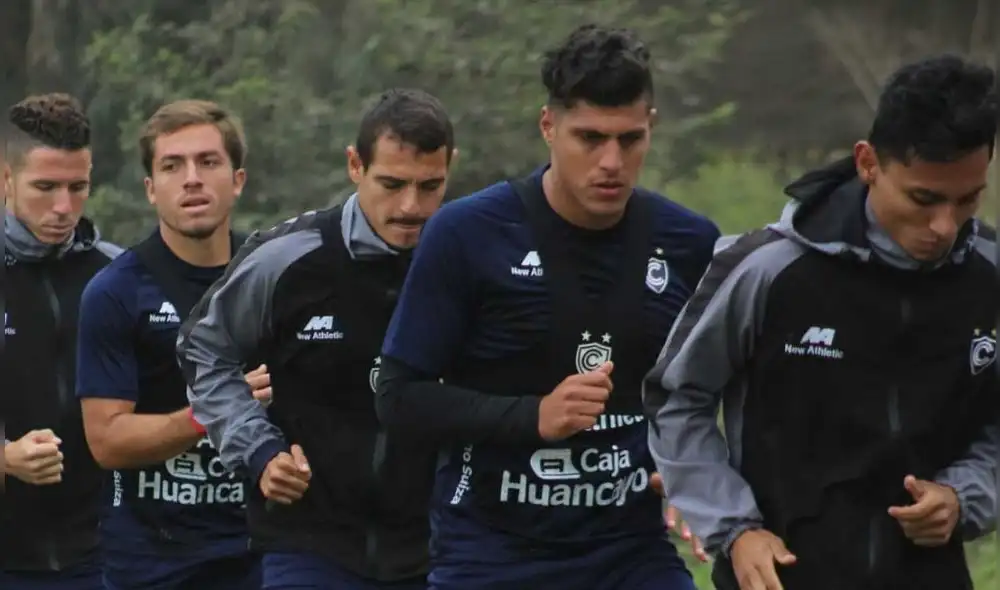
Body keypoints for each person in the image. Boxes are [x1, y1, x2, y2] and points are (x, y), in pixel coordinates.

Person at [376, 24, 719, 590]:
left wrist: (694, 476)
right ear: (548, 127)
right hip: (492, 554)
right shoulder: (467, 234)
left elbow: (703, 394)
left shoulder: (689, 241)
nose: (611, 161)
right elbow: (398, 397)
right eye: (589, 138)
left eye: (629, 140)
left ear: (650, 129)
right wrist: (532, 417)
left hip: (629, 555)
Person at [644, 54, 998, 590]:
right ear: (867, 163)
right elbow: (676, 398)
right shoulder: (768, 268)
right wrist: (736, 530)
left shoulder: (989, 276)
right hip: (780, 576)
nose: (944, 226)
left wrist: (962, 495)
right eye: (923, 199)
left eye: (967, 199)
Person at [176, 88, 456, 590]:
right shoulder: (287, 257)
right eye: (391, 184)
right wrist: (259, 452)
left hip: (438, 548)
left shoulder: (465, 260)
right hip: (307, 545)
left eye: (429, 186)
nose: (411, 206)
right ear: (355, 165)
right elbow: (203, 349)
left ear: (449, 170)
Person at [74, 100, 266, 589]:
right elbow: (107, 441)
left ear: (238, 179)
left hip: (263, 553)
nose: (192, 178)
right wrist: (212, 411)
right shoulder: (114, 291)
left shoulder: (277, 277)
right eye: (172, 166)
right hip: (152, 561)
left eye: (208, 162)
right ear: (151, 190)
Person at [1, 93, 122, 589]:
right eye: (45, 187)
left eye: (78, 187)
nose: (63, 207)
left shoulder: (116, 275)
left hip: (100, 558)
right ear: (5, 178)